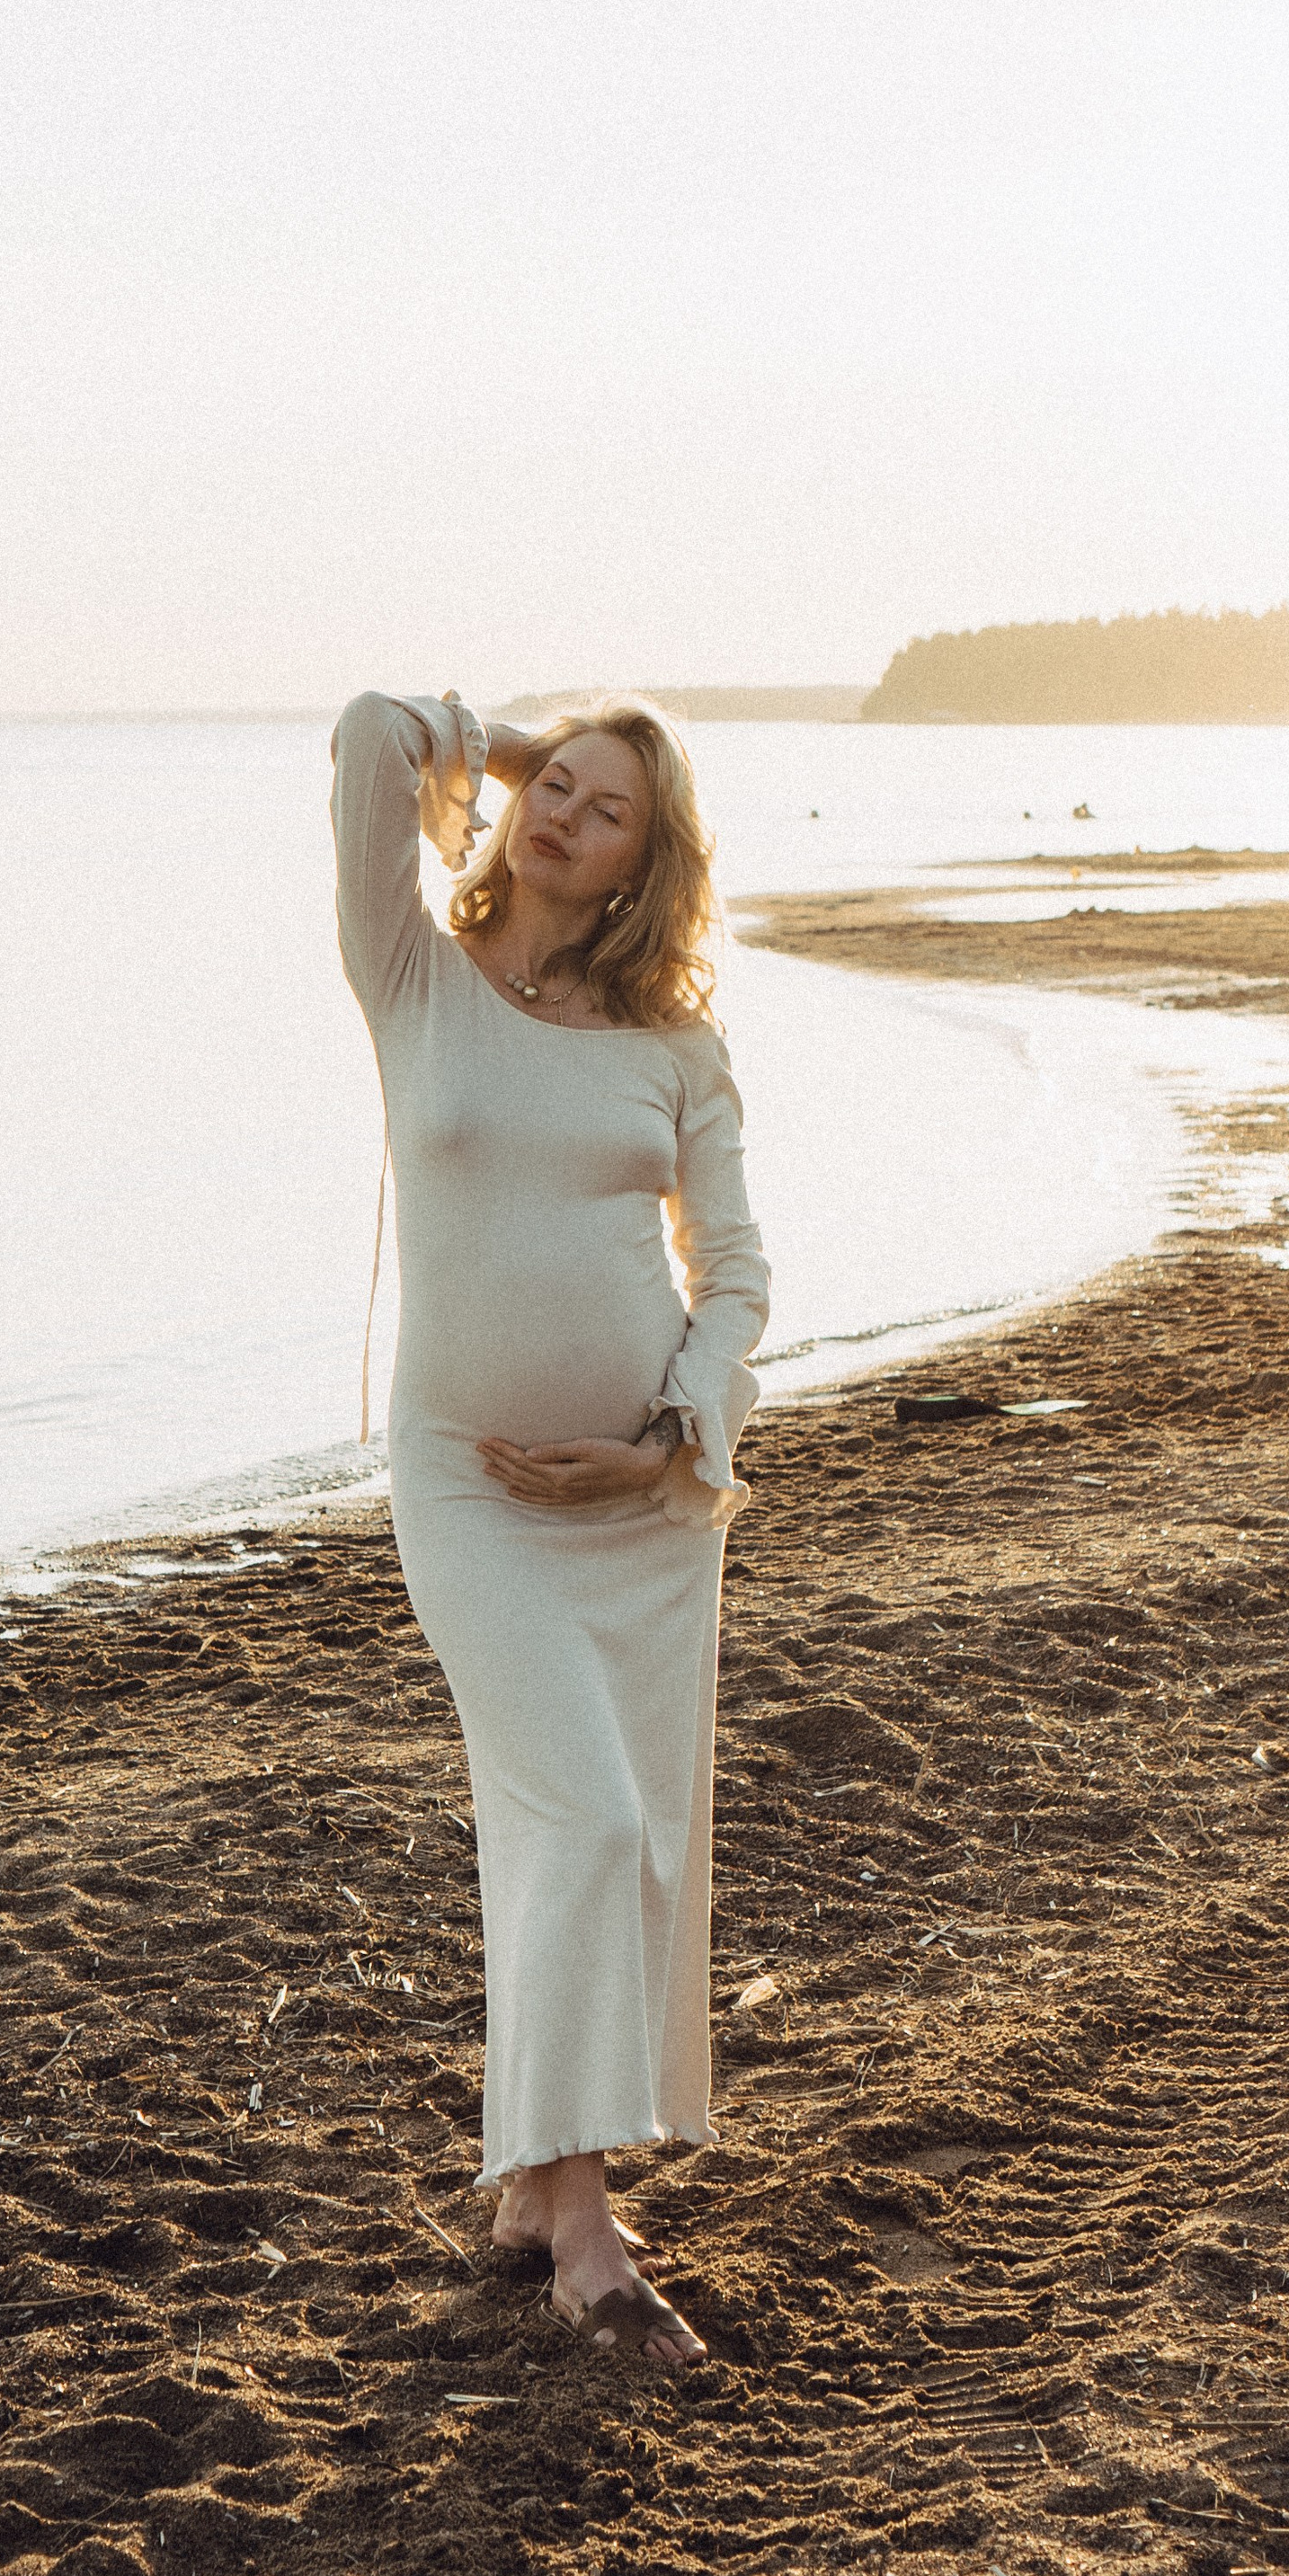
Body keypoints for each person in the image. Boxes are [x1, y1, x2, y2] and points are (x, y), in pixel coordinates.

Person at [331, 688, 771, 2366]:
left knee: (607, 1838)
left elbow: (735, 1277)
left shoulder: (677, 1053)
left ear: (647, 872)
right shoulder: (412, 979)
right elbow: (375, 737)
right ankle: (582, 2219)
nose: (564, 817)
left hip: (649, 1510)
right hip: (468, 1486)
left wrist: (671, 1433)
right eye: (550, 791)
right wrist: (516, 745)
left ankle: (533, 2181)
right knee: (579, 1818)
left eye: (608, 813)